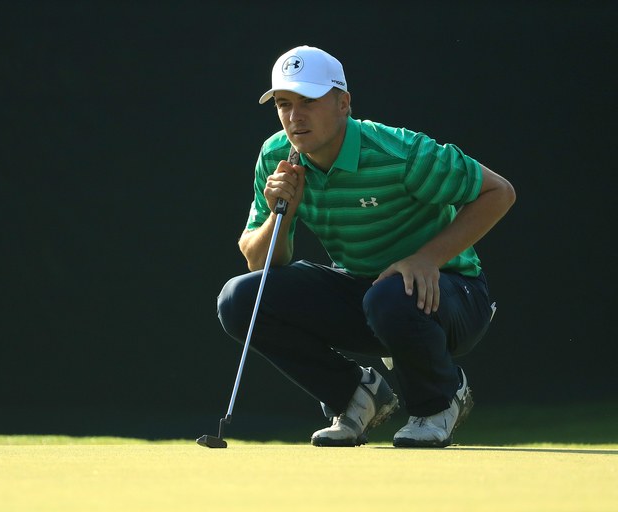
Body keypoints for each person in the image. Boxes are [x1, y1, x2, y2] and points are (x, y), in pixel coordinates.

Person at [216, 45, 516, 448]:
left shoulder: (398, 152)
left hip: (453, 294)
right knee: (239, 299)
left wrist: (427, 259)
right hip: (369, 293)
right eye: (284, 104)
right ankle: (356, 397)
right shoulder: (276, 157)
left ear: (343, 103)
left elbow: (500, 192)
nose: (295, 116)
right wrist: (281, 214)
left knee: (390, 294)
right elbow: (260, 260)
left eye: (309, 101)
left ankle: (439, 400)